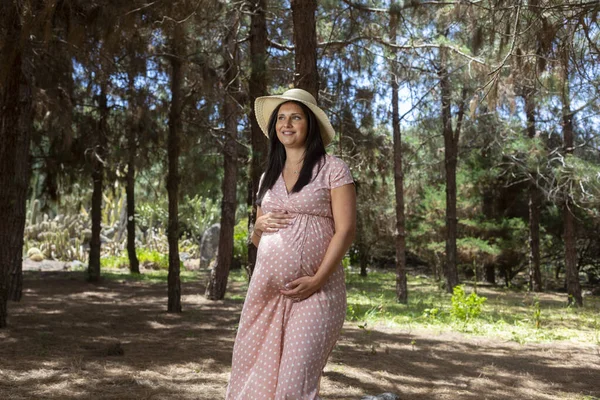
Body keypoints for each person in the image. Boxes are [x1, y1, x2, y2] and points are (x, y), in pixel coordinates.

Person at [226, 88, 356, 400]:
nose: (287, 123)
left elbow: (347, 230)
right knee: (256, 374)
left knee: (293, 383)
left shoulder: (333, 168)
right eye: (281, 118)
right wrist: (256, 227)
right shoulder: (267, 175)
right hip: (266, 293)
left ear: (309, 124)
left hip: (316, 291)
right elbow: (260, 240)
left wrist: (317, 280)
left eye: (295, 117)